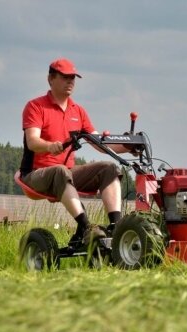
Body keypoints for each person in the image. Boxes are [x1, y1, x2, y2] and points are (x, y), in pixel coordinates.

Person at [19, 58, 125, 249]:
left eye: (73, 78)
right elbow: (32, 142)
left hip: (67, 173)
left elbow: (99, 143)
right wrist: (50, 146)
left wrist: (126, 147)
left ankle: (116, 228)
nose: (71, 82)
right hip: (35, 174)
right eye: (65, 77)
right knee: (60, 170)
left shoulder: (78, 111)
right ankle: (86, 228)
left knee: (109, 168)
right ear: (50, 79)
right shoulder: (36, 106)